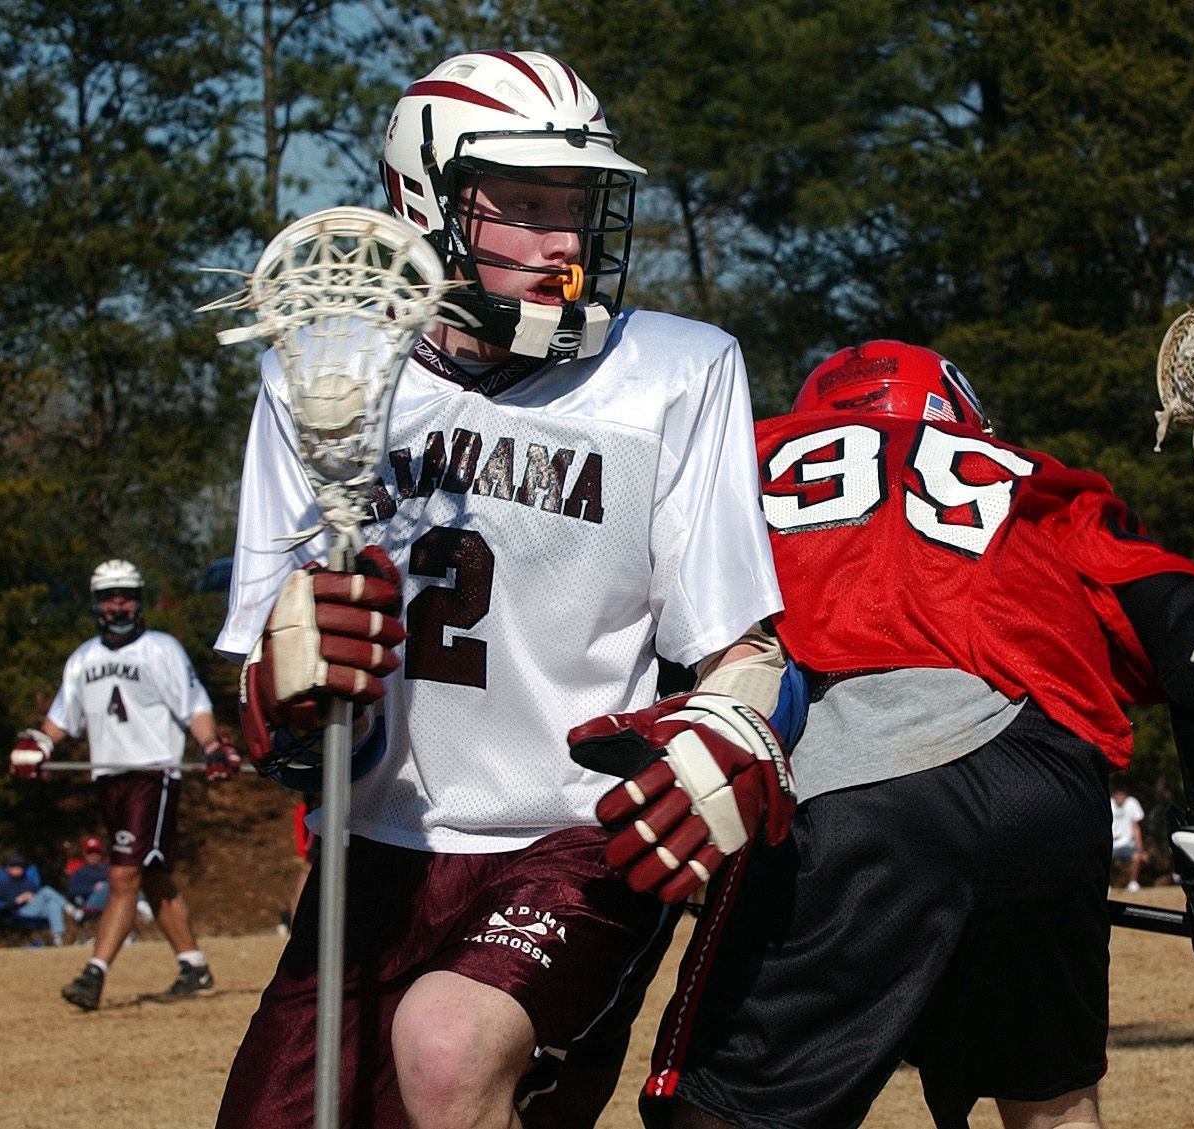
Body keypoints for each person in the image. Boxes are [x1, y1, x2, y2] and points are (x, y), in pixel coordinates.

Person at [210, 50, 784, 1129]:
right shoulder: (328, 377)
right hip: (377, 848)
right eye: (524, 205)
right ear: (422, 203)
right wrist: (283, 684)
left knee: (446, 1047)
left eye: (576, 205)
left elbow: (741, 647)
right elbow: (273, 690)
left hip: (573, 835)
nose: (565, 240)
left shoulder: (676, 371)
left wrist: (730, 728)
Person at [607, 341, 1194, 1129]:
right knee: (1053, 1107)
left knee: (721, 1114)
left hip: (851, 791)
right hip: (1046, 786)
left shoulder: (737, 463)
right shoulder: (1025, 475)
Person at [8, 559, 234, 1007]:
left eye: (127, 596)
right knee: (152, 875)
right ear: (96, 604)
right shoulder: (83, 659)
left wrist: (211, 746)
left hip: (151, 774)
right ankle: (193, 966)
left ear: (139, 600)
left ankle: (94, 975)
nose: (118, 605)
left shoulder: (161, 649)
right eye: (109, 597)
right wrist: (38, 746)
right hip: (108, 778)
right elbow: (60, 720)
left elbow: (194, 706)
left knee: (123, 873)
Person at [0, 851, 75, 945]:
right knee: (46, 890)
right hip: (19, 912)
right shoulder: (4, 885)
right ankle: (70, 908)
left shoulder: (28, 882)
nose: (18, 868)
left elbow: (38, 895)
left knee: (53, 904)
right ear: (8, 868)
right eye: (14, 866)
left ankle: (58, 937)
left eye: (20, 866)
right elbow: (3, 904)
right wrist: (18, 900)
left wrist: (31, 897)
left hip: (33, 907)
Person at [1108, 780, 1146, 893]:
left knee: (1136, 857)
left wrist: (1140, 849)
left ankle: (1133, 882)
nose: (1120, 797)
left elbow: (1136, 828)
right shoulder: (1108, 804)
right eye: (1118, 795)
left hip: (1128, 845)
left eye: (1122, 795)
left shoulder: (1132, 803)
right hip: (1112, 845)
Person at [65, 837, 111, 919]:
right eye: (90, 852)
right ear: (85, 854)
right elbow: (72, 890)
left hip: (110, 899)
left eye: (96, 852)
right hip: (90, 903)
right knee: (106, 886)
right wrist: (93, 888)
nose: (93, 855)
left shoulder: (107, 868)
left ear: (100, 854)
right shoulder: (80, 872)